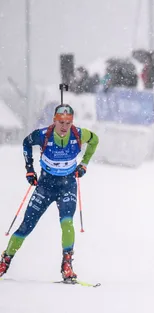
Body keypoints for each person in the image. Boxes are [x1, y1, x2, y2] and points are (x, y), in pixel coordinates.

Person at [0, 104, 99, 282]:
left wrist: (84, 164)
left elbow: (95, 140)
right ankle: (5, 260)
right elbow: (26, 143)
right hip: (45, 185)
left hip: (67, 185)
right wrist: (29, 169)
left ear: (72, 122)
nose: (64, 126)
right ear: (54, 120)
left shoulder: (78, 134)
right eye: (60, 122)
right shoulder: (43, 134)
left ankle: (67, 265)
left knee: (67, 222)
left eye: (67, 122)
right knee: (26, 225)